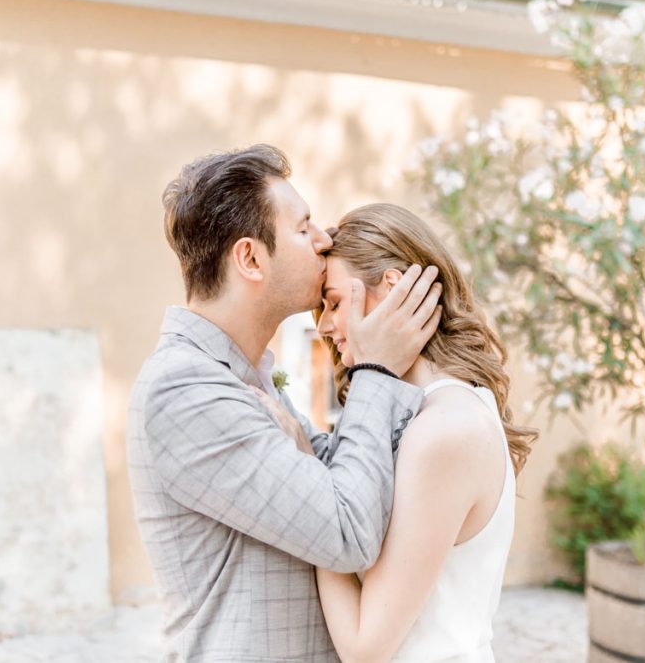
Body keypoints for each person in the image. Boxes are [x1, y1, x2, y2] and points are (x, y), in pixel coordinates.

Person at [127, 145, 443, 661]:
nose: (324, 241)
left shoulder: (241, 376)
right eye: (303, 228)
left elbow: (350, 478)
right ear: (250, 258)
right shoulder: (184, 389)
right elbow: (348, 530)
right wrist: (376, 370)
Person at [265, 203, 537, 663]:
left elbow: (363, 646)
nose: (326, 326)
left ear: (392, 290)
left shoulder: (445, 431)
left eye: (334, 302)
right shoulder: (437, 412)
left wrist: (310, 495)